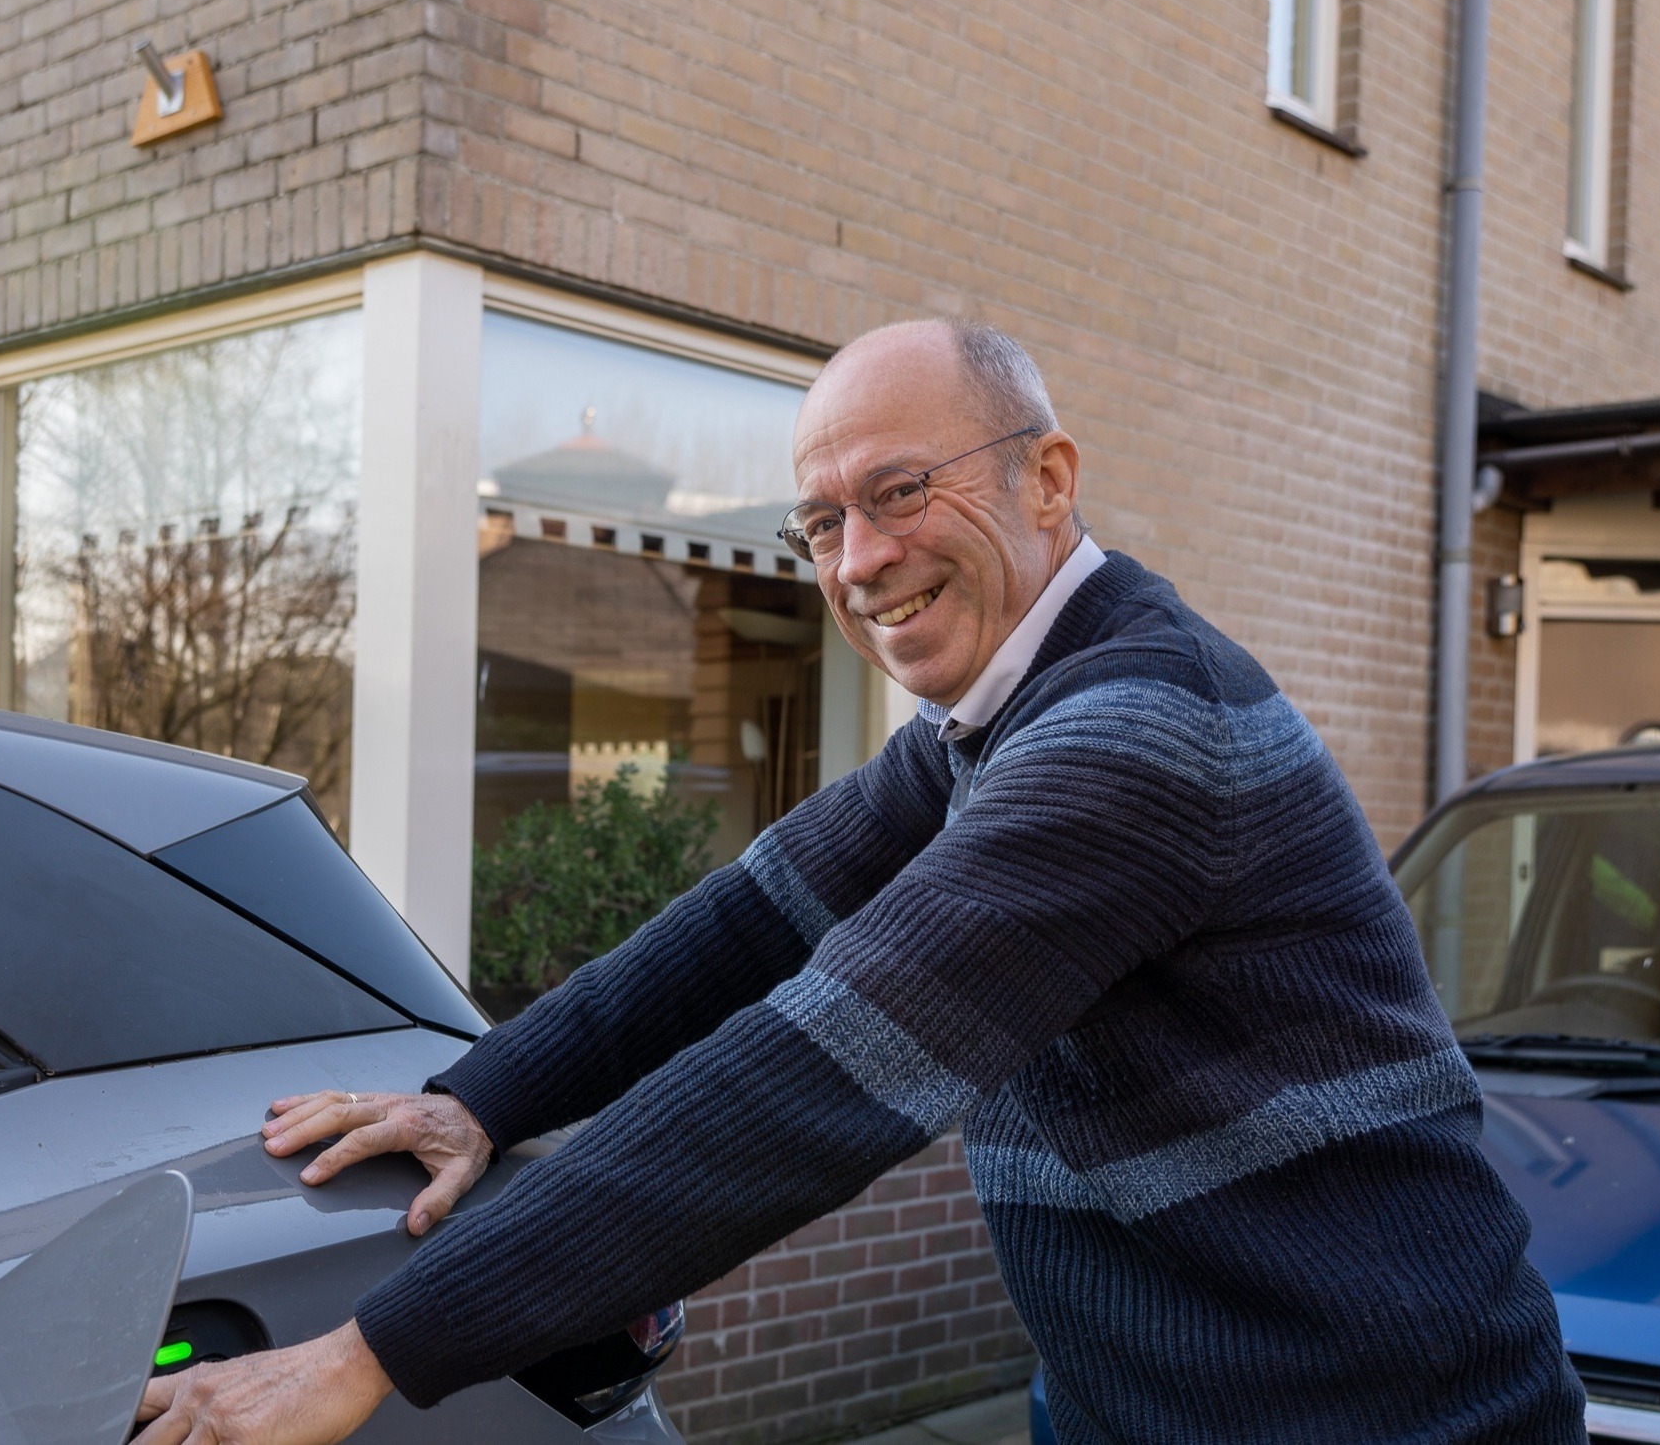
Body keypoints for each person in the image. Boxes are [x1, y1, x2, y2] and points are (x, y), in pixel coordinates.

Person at [136, 319, 1584, 1444]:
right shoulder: (988, 733)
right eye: (821, 522)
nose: (860, 559)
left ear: (1049, 477)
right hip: (1154, 1403)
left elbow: (813, 1074)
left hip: (1380, 1415)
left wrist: (366, 1357)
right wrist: (483, 1094)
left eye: (899, 491)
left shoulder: (1136, 735)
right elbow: (748, 924)